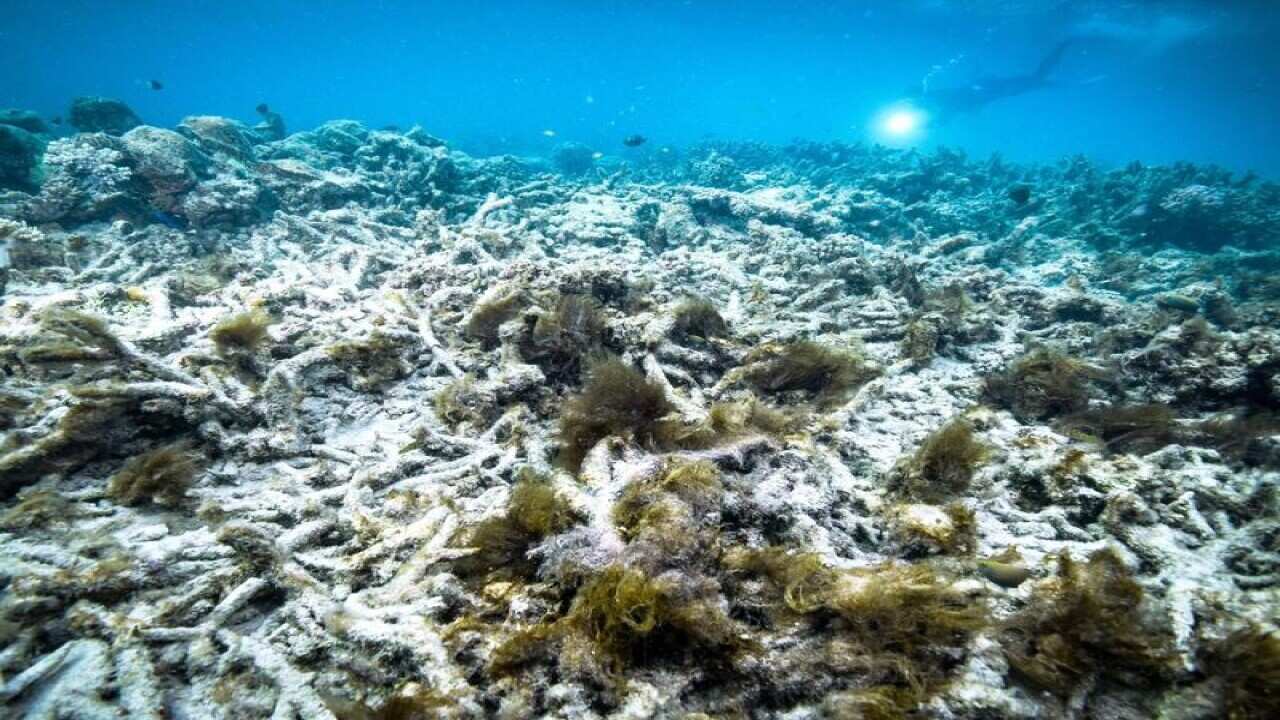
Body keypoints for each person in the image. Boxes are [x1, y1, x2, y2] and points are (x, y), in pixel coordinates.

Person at [912, 40, 1075, 120]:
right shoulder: (941, 101)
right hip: (994, 89)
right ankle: (1061, 76)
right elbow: (949, 111)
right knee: (1037, 80)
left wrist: (932, 121)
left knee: (1037, 79)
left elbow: (949, 109)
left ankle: (1061, 52)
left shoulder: (941, 100)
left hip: (995, 88)